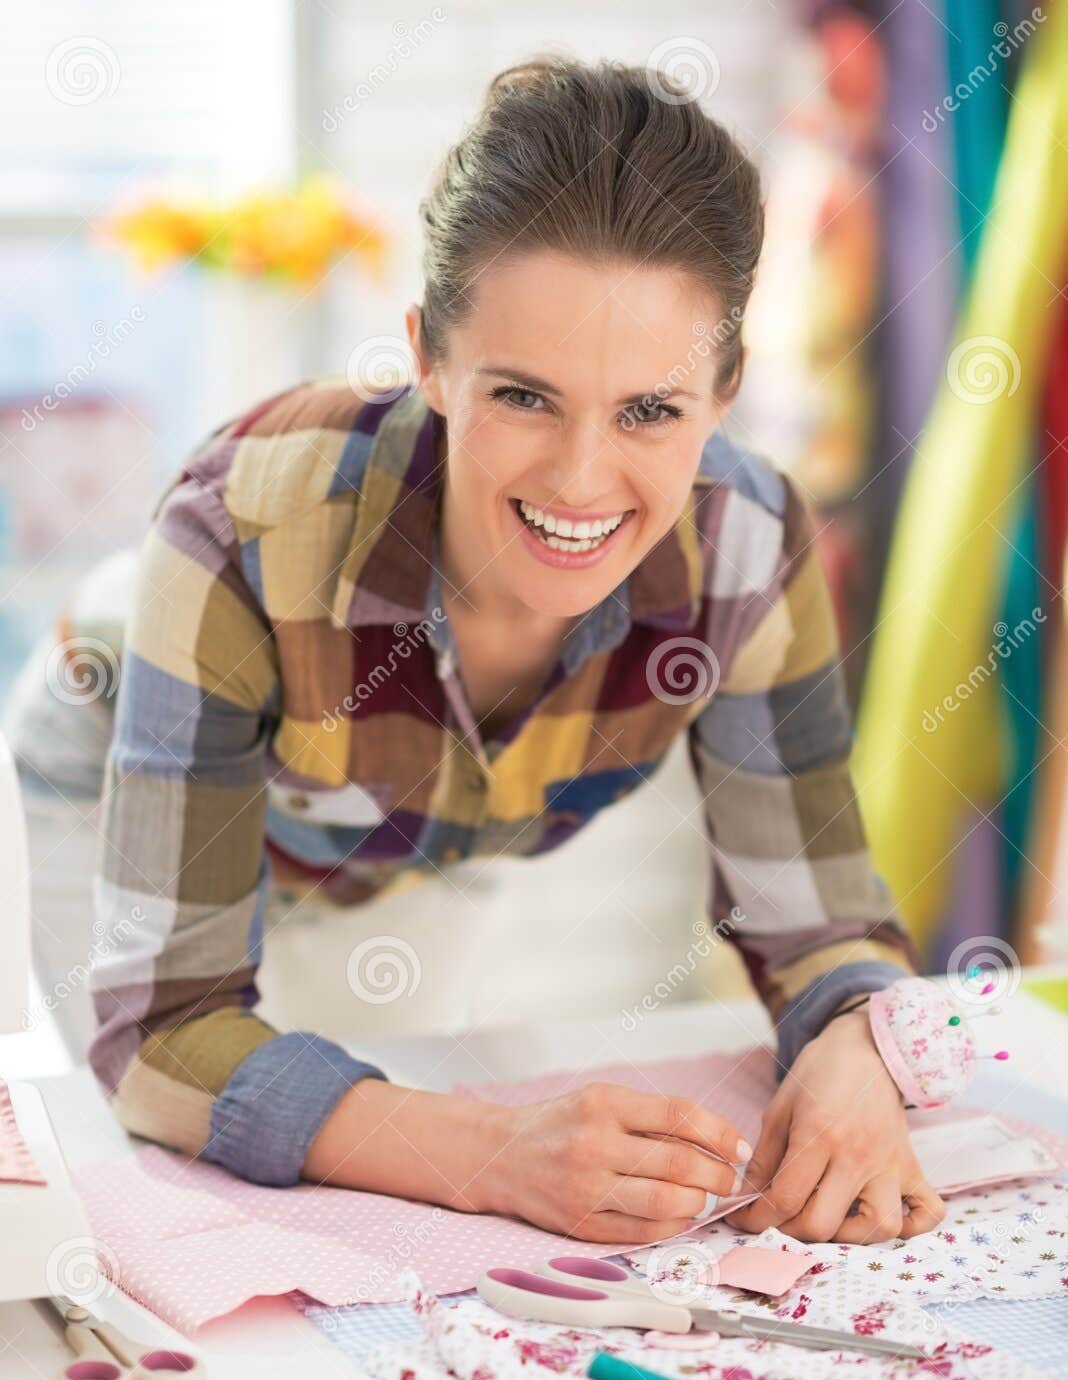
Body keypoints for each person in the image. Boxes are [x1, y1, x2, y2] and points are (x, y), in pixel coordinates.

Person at [4, 55, 945, 1246]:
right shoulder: (241, 527)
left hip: (393, 841)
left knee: (362, 1174)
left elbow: (817, 919)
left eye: (650, 409)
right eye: (525, 397)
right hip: (105, 779)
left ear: (724, 395)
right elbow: (160, 1038)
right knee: (139, 1168)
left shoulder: (750, 549)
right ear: (431, 361)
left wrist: (860, 1045)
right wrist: (495, 1153)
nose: (581, 480)